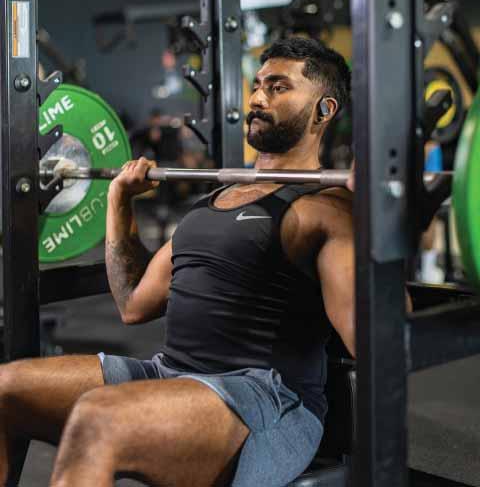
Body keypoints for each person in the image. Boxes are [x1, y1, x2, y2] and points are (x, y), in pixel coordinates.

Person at [0, 37, 360, 487]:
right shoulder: (215, 200)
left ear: (324, 110)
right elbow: (133, 303)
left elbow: (370, 336)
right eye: (258, 84)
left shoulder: (326, 209)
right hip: (171, 373)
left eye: (278, 87)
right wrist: (119, 202)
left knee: (98, 417)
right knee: (6, 388)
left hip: (265, 400)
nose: (257, 98)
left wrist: (381, 219)